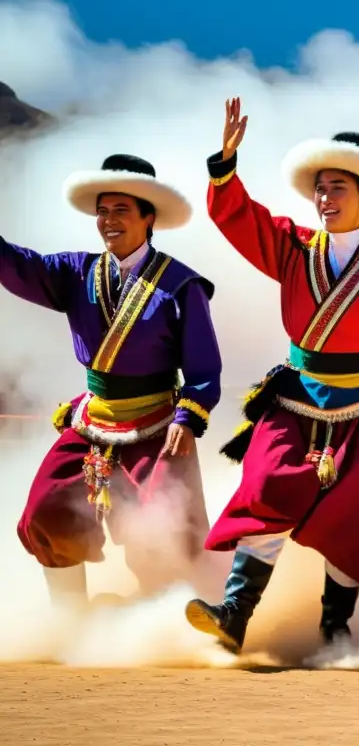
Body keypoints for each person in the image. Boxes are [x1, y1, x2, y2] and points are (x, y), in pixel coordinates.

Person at [185, 98, 359, 655]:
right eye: (321, 188)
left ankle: (336, 630)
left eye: (338, 188)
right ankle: (235, 616)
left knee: (353, 519)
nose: (325, 198)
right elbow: (241, 219)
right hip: (295, 393)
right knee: (264, 488)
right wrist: (226, 164)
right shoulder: (291, 245)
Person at [2, 153, 222, 609]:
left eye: (121, 210)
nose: (108, 221)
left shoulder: (182, 287)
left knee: (165, 527)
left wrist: (189, 414)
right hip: (92, 419)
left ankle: (168, 624)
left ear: (148, 217)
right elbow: (19, 266)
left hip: (158, 423)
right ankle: (73, 622)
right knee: (46, 509)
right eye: (102, 211)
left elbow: (203, 367)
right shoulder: (75, 272)